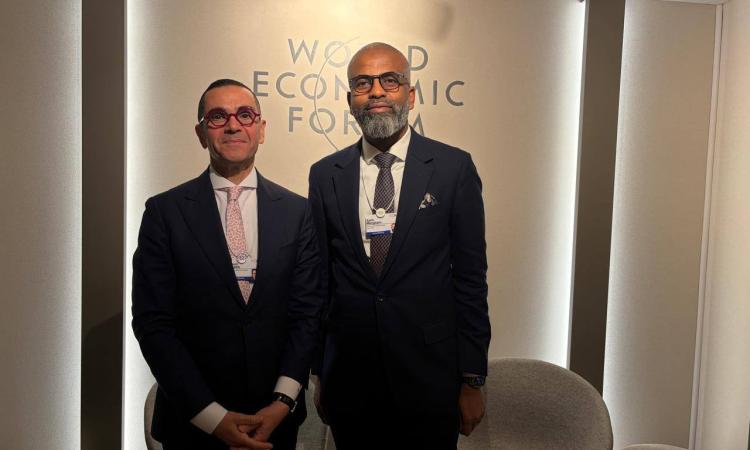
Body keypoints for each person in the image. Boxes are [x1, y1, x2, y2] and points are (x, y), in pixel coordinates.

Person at [308, 43, 491, 450]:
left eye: (389, 80)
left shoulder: (453, 169)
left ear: (410, 95)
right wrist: (320, 373)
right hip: (350, 381)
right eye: (363, 83)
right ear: (350, 100)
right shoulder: (325, 175)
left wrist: (472, 378)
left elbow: (470, 280)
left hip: (431, 379)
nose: (376, 91)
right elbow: (321, 282)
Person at [132, 79, 322, 450]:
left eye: (245, 115)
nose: (233, 125)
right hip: (192, 427)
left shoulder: (298, 212)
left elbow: (307, 315)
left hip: (275, 424)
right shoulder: (164, 213)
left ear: (261, 129)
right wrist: (212, 418)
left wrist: (282, 402)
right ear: (201, 133)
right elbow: (153, 324)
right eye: (218, 116)